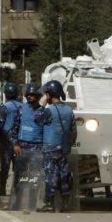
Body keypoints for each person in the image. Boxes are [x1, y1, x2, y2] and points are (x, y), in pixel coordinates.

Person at [35, 80, 76, 212]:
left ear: (49, 94)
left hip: (50, 147)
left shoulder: (49, 110)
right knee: (64, 175)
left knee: (51, 175)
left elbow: (38, 120)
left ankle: (50, 203)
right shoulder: (69, 111)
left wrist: (42, 106)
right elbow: (73, 131)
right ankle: (65, 204)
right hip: (63, 148)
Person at [0, 83, 22, 197]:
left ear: (5, 94)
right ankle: (17, 190)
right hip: (19, 141)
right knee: (18, 167)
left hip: (6, 140)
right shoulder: (23, 106)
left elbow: (0, 124)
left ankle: (2, 188)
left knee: (5, 167)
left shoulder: (4, 107)